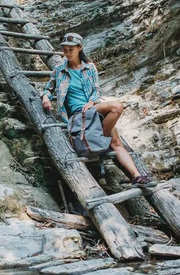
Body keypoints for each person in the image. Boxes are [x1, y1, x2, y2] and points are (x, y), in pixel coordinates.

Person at [41, 32, 156, 187]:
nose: (67, 53)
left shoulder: (90, 68)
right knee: (116, 106)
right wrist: (46, 97)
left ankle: (136, 177)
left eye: (71, 49)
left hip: (93, 109)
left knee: (116, 143)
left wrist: (91, 101)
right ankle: (100, 138)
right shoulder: (59, 71)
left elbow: (96, 91)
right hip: (78, 115)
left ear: (79, 48)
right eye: (65, 50)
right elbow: (49, 89)